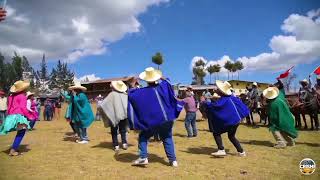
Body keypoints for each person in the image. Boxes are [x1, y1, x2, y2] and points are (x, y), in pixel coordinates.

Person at [128, 67, 183, 167]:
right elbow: (168, 82)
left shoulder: (142, 92)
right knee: (167, 138)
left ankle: (143, 157)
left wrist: (132, 84)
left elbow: (131, 95)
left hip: (152, 122)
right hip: (166, 119)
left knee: (143, 137)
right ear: (156, 77)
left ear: (146, 80)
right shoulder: (163, 87)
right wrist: (161, 77)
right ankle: (173, 161)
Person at [202, 80, 249, 157]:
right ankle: (241, 152)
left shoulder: (224, 99)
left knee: (216, 132)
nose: (216, 90)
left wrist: (205, 102)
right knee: (231, 136)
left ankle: (221, 150)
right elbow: (242, 107)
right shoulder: (232, 97)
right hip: (236, 121)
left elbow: (214, 106)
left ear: (221, 91)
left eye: (218, 89)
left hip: (232, 121)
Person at [0, 80, 32, 156]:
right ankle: (13, 150)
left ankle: (15, 147)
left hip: (11, 115)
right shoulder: (22, 96)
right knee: (21, 132)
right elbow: (23, 108)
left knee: (20, 131)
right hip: (18, 116)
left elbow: (9, 107)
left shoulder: (11, 97)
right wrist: (28, 116)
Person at [100, 81, 129, 151]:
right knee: (123, 130)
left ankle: (116, 145)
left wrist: (100, 107)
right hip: (123, 115)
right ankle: (124, 143)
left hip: (114, 115)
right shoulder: (125, 94)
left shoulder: (112, 94)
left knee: (114, 130)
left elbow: (104, 104)